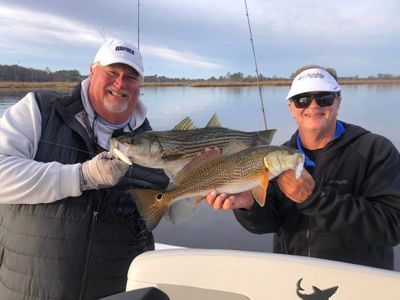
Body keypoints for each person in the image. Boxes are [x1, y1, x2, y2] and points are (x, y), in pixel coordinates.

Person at [0, 39, 169, 299]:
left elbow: (177, 208)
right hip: (27, 290)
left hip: (117, 293)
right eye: (112, 72)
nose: (120, 83)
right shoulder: (40, 109)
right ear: (92, 72)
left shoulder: (153, 143)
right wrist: (81, 177)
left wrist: (230, 189)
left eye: (131, 77)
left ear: (140, 85)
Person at [205, 65, 400, 270]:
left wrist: (316, 199)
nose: (313, 106)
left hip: (358, 279)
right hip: (295, 276)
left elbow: (392, 227)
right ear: (291, 108)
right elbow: (267, 224)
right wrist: (248, 205)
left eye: (324, 98)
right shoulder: (274, 157)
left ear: (338, 103)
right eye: (302, 99)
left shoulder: (375, 150)